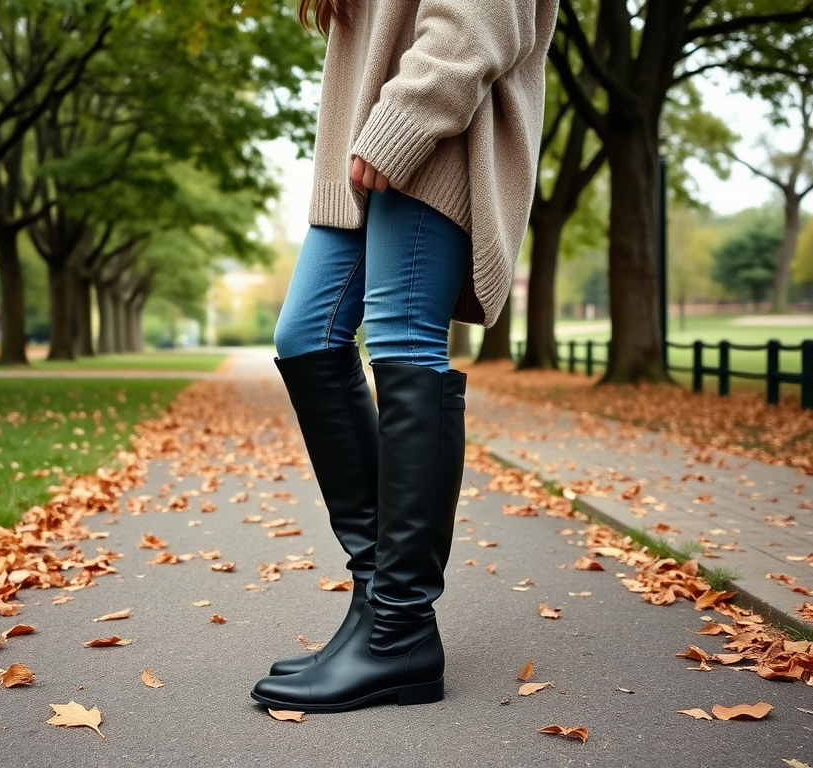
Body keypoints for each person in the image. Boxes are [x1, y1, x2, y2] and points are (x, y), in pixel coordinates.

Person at [250, 0, 558, 713]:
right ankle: (375, 602)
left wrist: (406, 117)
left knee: (403, 343)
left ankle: (398, 629)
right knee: (305, 337)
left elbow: (484, 15)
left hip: (433, 129)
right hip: (365, 137)